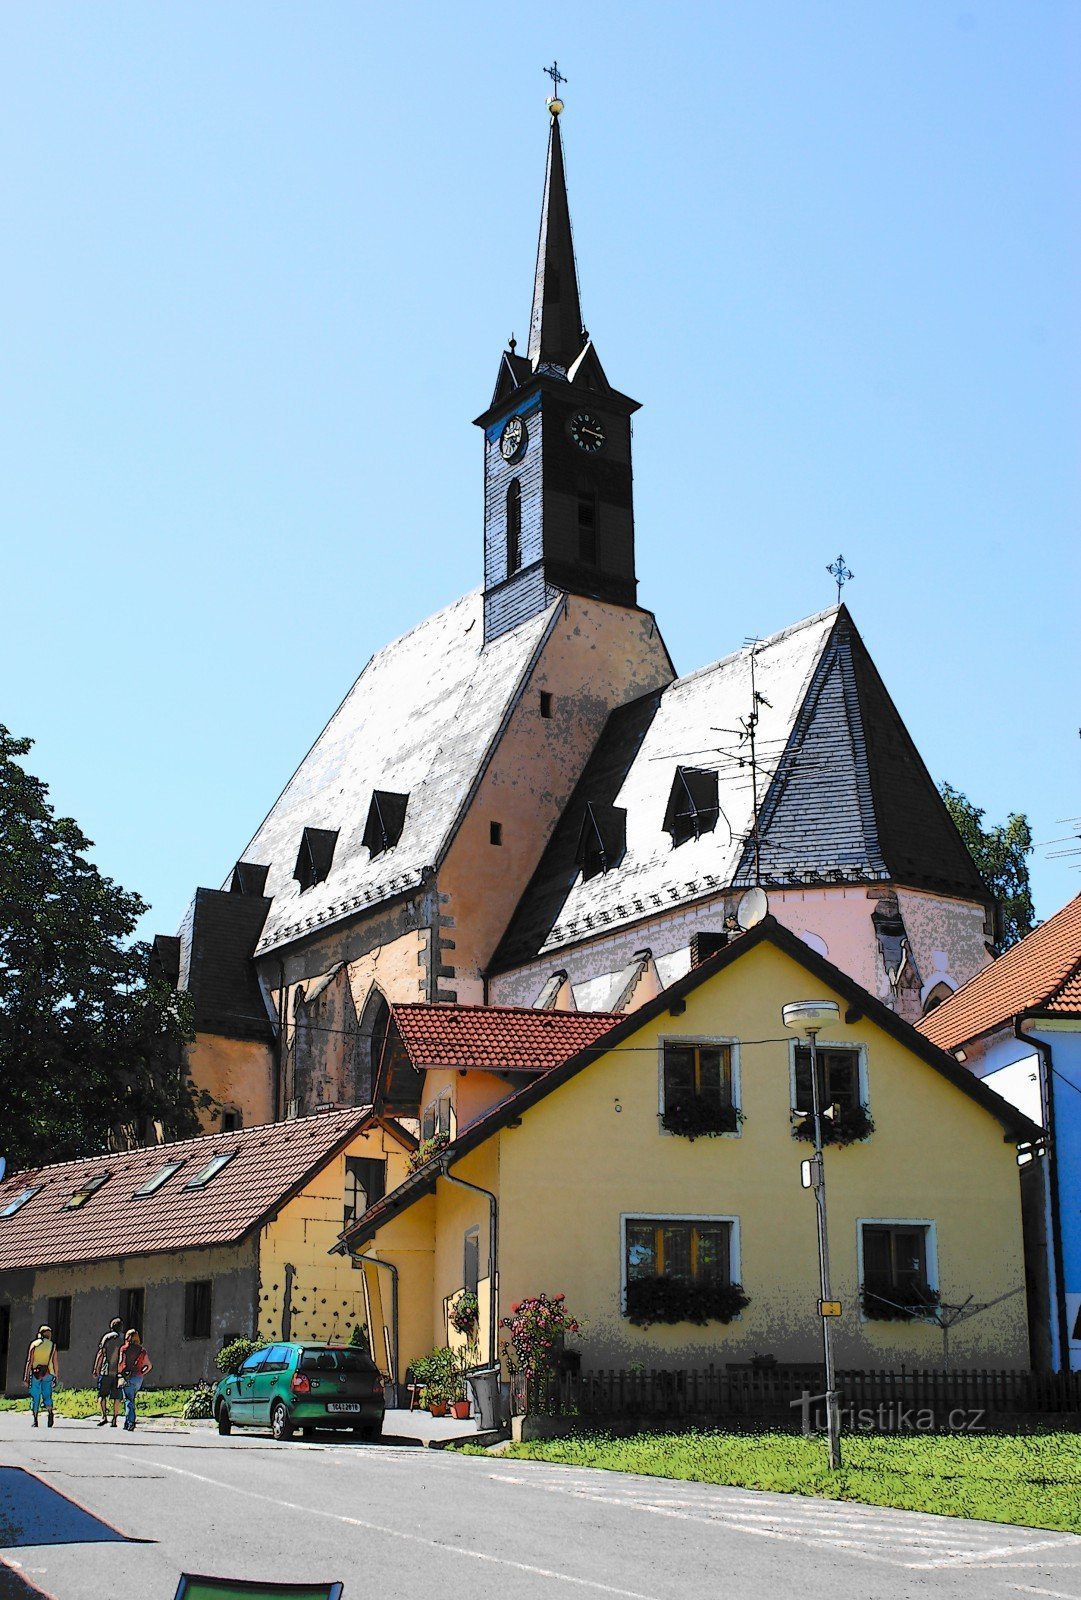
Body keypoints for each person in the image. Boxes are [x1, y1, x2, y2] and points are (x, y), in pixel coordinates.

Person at [24, 1324, 58, 1428]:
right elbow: (55, 1361)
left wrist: (26, 1376)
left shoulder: (34, 1344)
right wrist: (56, 1375)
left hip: (35, 1373)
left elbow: (30, 1360)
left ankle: (35, 1420)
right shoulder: (52, 1345)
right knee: (47, 1394)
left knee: (35, 1396)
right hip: (48, 1373)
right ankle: (50, 1412)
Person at [117, 1328, 152, 1431]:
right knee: (131, 1399)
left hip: (127, 1377)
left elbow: (120, 1363)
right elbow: (149, 1365)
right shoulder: (142, 1350)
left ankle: (130, 1422)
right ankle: (128, 1421)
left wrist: (120, 1374)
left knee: (128, 1400)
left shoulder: (124, 1349)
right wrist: (142, 1372)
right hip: (138, 1378)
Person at [93, 1316, 124, 1427]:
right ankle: (115, 1418)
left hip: (106, 1370)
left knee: (102, 1394)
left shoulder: (107, 1337)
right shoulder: (124, 1339)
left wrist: (96, 1368)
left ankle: (103, 1416)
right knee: (117, 1397)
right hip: (119, 1372)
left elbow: (101, 1353)